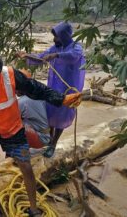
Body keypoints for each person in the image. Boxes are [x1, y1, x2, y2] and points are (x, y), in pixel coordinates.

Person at [0, 47, 81, 216]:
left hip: (12, 129)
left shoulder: (10, 74)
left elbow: (36, 88)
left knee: (26, 166)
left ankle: (33, 209)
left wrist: (61, 99)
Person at [18, 22, 86, 158]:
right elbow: (42, 58)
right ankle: (49, 140)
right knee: (51, 114)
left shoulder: (76, 48)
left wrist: (56, 56)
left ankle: (53, 144)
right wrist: (27, 56)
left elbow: (73, 56)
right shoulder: (55, 48)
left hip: (68, 90)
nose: (55, 40)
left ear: (64, 36)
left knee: (62, 115)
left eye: (57, 37)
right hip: (53, 86)